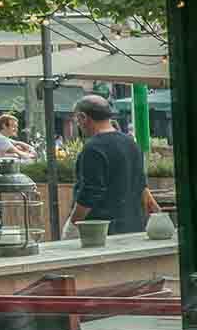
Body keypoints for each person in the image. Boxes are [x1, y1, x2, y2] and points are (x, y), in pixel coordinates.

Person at [66, 94, 158, 237]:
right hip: (133, 228)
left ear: (83, 117)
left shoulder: (93, 148)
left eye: (77, 120)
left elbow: (90, 193)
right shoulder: (131, 144)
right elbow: (141, 185)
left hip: (100, 232)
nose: (78, 125)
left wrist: (72, 225)